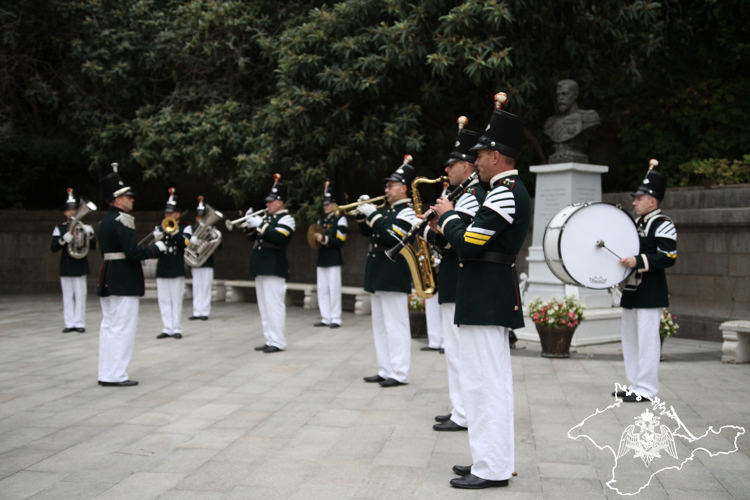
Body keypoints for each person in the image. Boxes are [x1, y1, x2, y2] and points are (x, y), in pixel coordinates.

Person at [429, 94, 529, 489]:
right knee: (479, 381)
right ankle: (486, 460)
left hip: (488, 295)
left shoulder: (506, 191)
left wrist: (447, 216)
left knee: (487, 383)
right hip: (482, 293)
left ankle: (493, 467)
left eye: (483, 153)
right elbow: (467, 238)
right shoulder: (494, 191)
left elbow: (470, 242)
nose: (478, 160)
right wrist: (450, 222)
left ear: (498, 157)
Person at [421, 120, 485, 432]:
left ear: (465, 165)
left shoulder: (471, 195)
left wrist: (433, 229)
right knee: (453, 351)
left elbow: (459, 239)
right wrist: (433, 227)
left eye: (451, 165)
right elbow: (449, 237)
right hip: (451, 278)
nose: (446, 171)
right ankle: (460, 409)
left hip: (461, 278)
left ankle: (465, 413)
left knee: (461, 352)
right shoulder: (460, 194)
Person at [97, 163, 165, 387]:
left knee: (109, 326)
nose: (131, 199)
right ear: (117, 200)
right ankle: (116, 374)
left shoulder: (104, 221)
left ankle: (106, 372)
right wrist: (157, 248)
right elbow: (133, 253)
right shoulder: (123, 220)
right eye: (127, 196)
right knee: (122, 328)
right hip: (124, 279)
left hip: (108, 276)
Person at [616, 160, 676, 402]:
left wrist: (638, 261)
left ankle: (647, 389)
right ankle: (635, 384)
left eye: (639, 198)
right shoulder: (635, 224)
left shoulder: (663, 224)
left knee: (648, 341)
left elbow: (668, 256)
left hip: (651, 291)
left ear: (652, 201)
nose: (634, 202)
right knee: (630, 339)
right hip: (632, 290)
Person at [358, 156, 417, 388]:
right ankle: (385, 368)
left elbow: (392, 237)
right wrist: (362, 215)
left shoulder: (408, 212)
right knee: (380, 325)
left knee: (396, 325)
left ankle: (400, 372)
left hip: (394, 274)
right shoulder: (390, 210)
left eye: (391, 185)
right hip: (379, 273)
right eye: (386, 186)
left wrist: (373, 215)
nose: (386, 189)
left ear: (404, 188)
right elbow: (369, 232)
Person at [246, 174, 296, 353]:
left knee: (274, 305)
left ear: (280, 203)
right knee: (264, 306)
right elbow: (253, 238)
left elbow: (278, 238)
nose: (267, 204)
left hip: (274, 267)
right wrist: (249, 225)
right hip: (261, 267)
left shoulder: (287, 219)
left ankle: (278, 341)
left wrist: (260, 224)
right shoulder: (266, 220)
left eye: (270, 201)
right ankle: (269, 338)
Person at [52, 188, 97, 333]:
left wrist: (90, 236)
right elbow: (53, 248)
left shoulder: (85, 227)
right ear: (65, 212)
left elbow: (94, 247)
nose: (71, 212)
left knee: (80, 296)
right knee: (67, 296)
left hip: (80, 265)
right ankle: (69, 323)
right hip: (66, 265)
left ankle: (79, 323)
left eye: (74, 210)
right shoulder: (60, 229)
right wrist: (62, 240)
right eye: (68, 210)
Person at [154, 188, 193, 339]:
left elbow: (186, 244)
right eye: (166, 213)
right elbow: (156, 249)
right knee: (163, 299)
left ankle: (176, 327)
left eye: (171, 213)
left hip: (176, 265)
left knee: (176, 299)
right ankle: (167, 327)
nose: (168, 215)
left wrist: (176, 233)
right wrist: (159, 237)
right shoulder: (159, 227)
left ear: (178, 214)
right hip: (163, 265)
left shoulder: (185, 227)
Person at [313, 181, 347, 328]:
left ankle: (335, 318)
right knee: (322, 289)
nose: (325, 206)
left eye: (328, 204)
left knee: (334, 289)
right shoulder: (320, 220)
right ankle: (325, 317)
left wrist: (325, 239)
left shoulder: (340, 219)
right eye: (324, 204)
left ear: (334, 204)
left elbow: (340, 240)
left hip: (333, 258)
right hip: (322, 258)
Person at [189, 196, 219, 321]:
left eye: (202, 217)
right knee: (197, 286)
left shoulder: (212, 228)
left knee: (206, 287)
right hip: (196, 261)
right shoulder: (191, 229)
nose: (199, 219)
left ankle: (204, 312)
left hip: (207, 262)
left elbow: (219, 245)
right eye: (198, 217)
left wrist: (212, 236)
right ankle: (197, 311)